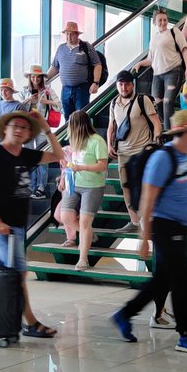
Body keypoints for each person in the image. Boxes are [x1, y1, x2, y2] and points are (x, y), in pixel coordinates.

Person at [111, 109, 187, 352]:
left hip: (180, 225)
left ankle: (124, 315)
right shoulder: (163, 159)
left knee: (162, 281)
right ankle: (185, 334)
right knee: (182, 279)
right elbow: (148, 200)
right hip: (163, 226)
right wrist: (145, 237)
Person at [0, 110, 64, 338]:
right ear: (5, 129)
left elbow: (58, 154)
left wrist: (45, 127)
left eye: (24, 128)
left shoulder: (25, 155)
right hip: (0, 226)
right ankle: (31, 322)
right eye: (15, 125)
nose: (19, 130)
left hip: (15, 226)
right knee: (18, 273)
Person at [107, 69, 162, 231]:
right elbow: (112, 126)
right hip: (123, 152)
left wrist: (155, 143)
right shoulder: (113, 103)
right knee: (126, 186)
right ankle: (134, 221)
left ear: (133, 85)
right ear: (117, 86)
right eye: (121, 84)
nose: (124, 88)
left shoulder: (142, 100)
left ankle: (149, 219)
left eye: (127, 84)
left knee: (145, 186)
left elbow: (156, 123)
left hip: (142, 151)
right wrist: (109, 144)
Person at [58, 110, 109, 270]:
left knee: (85, 222)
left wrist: (82, 167)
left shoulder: (97, 141)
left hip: (93, 186)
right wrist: (65, 178)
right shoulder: (75, 141)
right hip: (74, 183)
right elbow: (70, 163)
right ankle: (89, 235)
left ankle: (83, 258)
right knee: (65, 216)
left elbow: (103, 165)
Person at [135, 9, 187, 129]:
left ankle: (168, 134)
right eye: (160, 20)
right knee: (157, 101)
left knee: (167, 102)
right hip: (157, 74)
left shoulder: (174, 31)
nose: (163, 22)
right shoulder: (154, 39)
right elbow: (151, 59)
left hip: (173, 71)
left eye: (165, 19)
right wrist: (140, 63)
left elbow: (184, 49)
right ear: (155, 22)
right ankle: (171, 127)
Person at [46, 21, 102, 118]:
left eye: (71, 34)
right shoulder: (61, 48)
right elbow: (55, 67)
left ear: (77, 34)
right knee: (67, 117)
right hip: (65, 89)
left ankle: (80, 133)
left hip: (82, 89)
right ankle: (69, 133)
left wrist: (96, 83)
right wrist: (44, 79)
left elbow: (97, 64)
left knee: (81, 118)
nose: (68, 36)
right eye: (67, 34)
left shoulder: (86, 47)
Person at [21, 66, 60, 197]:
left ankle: (41, 186)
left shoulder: (47, 90)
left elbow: (59, 104)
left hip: (42, 127)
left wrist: (45, 101)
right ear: (30, 78)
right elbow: (18, 107)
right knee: (28, 156)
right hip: (27, 127)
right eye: (33, 77)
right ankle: (31, 186)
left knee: (42, 156)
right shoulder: (24, 91)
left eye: (38, 77)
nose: (36, 79)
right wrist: (28, 100)